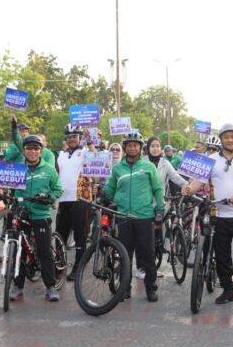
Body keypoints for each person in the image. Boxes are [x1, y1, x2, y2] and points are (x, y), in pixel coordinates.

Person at [182, 124, 233, 307]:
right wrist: (189, 188)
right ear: (222, 139)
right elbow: (199, 182)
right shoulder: (210, 159)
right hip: (219, 215)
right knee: (222, 256)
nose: (230, 140)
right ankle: (228, 290)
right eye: (226, 137)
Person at [104, 132, 165, 302]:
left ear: (140, 148)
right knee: (125, 254)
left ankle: (151, 288)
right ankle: (125, 288)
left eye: (136, 145)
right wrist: (101, 192)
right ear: (125, 148)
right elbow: (110, 188)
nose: (132, 148)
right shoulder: (117, 169)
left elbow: (157, 188)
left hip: (145, 216)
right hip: (124, 217)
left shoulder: (148, 167)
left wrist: (160, 209)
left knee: (148, 255)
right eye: (129, 145)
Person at [8, 135, 63, 302]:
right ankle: (17, 286)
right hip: (22, 213)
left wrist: (49, 197)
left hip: (41, 214)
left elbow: (58, 189)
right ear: (24, 150)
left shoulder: (49, 169)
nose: (32, 151)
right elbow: (8, 188)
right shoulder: (16, 168)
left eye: (36, 148)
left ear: (41, 151)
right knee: (19, 251)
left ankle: (50, 287)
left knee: (45, 251)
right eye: (29, 148)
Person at [134, 137, 187, 279]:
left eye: (158, 146)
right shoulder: (142, 162)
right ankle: (140, 268)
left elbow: (175, 177)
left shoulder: (165, 163)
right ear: (148, 148)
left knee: (157, 239)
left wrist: (188, 186)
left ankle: (152, 268)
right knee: (143, 239)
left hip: (159, 205)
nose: (156, 148)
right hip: (142, 205)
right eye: (153, 146)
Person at [56, 124, 94, 281]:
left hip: (81, 199)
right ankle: (59, 264)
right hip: (63, 199)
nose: (72, 139)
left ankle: (79, 266)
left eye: (75, 136)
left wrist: (90, 141)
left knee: (80, 235)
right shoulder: (61, 155)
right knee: (60, 234)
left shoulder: (85, 152)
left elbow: (96, 159)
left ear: (80, 138)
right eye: (69, 136)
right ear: (66, 139)